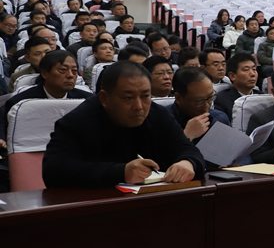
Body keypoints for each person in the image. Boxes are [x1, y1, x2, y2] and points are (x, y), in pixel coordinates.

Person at [42, 62, 205, 188]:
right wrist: (121, 172)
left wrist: (188, 162)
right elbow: (53, 171)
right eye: (128, 98)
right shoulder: (78, 121)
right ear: (104, 98)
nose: (139, 106)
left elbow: (188, 150)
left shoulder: (157, 114)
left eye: (145, 96)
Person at [4, 50, 91, 118]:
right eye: (63, 70)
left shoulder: (87, 100)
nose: (70, 75)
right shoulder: (19, 103)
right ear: (45, 73)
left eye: (74, 71)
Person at [170, 66, 230, 142]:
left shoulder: (219, 118)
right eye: (199, 101)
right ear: (178, 98)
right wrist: (187, 136)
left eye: (210, 97)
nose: (206, 107)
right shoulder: (161, 121)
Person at [214, 53, 259, 120]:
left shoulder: (261, 96)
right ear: (232, 76)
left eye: (254, 69)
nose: (252, 74)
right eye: (246, 69)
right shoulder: (222, 100)